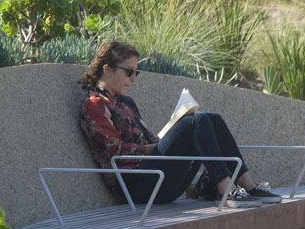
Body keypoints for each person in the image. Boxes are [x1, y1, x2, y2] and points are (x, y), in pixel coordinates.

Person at [77, 39, 281, 210]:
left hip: (157, 178)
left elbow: (146, 138)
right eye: (129, 72)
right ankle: (225, 190)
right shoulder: (94, 105)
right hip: (136, 185)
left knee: (211, 118)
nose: (133, 79)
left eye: (136, 73)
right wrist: (154, 148)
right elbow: (115, 151)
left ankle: (247, 184)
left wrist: (166, 140)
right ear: (108, 70)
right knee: (197, 121)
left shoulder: (125, 101)